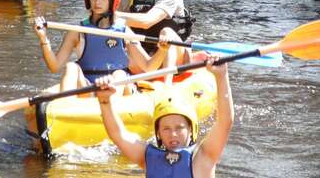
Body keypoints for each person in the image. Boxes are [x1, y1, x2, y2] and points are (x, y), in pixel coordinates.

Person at [33, 0, 176, 95]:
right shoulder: (77, 31)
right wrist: (43, 38)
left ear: (113, 1)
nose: (97, 2)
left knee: (119, 74)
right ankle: (63, 110)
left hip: (118, 88)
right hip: (88, 86)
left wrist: (163, 50)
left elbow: (148, 67)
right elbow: (55, 66)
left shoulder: (123, 31)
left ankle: (110, 107)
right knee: (71, 67)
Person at [95, 59, 234, 178]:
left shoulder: (203, 157)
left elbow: (225, 121)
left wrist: (221, 75)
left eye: (179, 128)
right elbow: (118, 135)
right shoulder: (148, 157)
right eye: (166, 128)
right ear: (159, 133)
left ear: (191, 130)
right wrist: (104, 100)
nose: (173, 134)